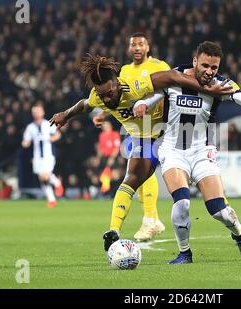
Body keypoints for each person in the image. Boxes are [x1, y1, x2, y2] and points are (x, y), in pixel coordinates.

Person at [133, 41, 241, 264]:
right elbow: (153, 97)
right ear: (195, 61)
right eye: (205, 65)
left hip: (202, 151)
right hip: (173, 149)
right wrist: (142, 104)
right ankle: (185, 252)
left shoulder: (222, 85)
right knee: (182, 203)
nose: (209, 71)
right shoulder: (175, 77)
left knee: (219, 211)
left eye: (214, 67)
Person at [49, 53, 233, 251]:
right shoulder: (99, 96)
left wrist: (207, 88)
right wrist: (66, 115)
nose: (107, 98)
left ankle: (227, 215)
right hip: (145, 139)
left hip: (173, 135)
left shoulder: (135, 85)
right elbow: (84, 105)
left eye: (109, 92)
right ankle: (114, 231)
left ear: (117, 83)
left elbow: (172, 76)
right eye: (102, 95)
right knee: (131, 179)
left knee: (206, 188)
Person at [93, 33, 170, 242]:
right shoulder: (125, 71)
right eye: (133, 44)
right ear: (128, 49)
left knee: (144, 172)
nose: (137, 47)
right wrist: (103, 113)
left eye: (141, 44)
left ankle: (152, 219)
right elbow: (120, 99)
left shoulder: (159, 65)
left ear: (148, 47)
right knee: (141, 171)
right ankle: (150, 218)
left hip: (160, 127)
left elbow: (169, 89)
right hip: (136, 129)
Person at [22, 103, 64, 208]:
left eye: (38, 111)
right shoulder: (30, 127)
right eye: (34, 112)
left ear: (43, 112)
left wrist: (52, 139)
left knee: (45, 175)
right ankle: (52, 200)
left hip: (47, 156)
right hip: (37, 157)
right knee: (43, 179)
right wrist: (25, 143)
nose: (36, 113)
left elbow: (58, 134)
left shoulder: (48, 124)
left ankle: (57, 183)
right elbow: (26, 140)